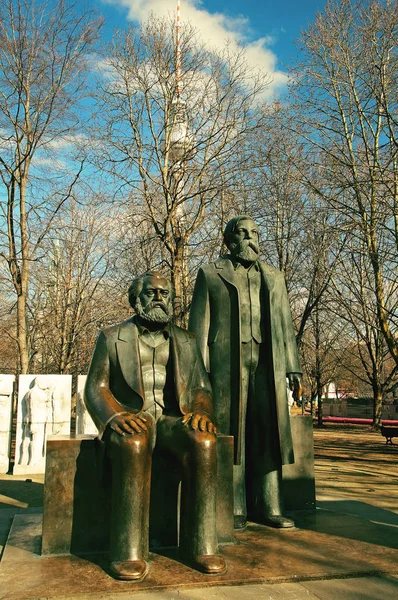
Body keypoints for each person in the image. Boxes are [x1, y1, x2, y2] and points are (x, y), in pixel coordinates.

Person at [85, 272, 226, 581]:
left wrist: (202, 411)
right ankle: (128, 552)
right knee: (133, 443)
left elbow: (202, 387)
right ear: (136, 299)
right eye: (151, 293)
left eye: (165, 293)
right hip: (134, 418)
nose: (159, 298)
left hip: (173, 420)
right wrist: (114, 417)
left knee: (204, 441)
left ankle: (200, 546)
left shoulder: (186, 340)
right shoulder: (111, 337)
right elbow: (96, 388)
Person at [189, 216, 302, 530]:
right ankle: (235, 506)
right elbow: (199, 326)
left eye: (254, 233)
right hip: (226, 364)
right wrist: (199, 374)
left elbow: (284, 325)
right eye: (243, 232)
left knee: (269, 433)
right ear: (229, 239)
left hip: (269, 362)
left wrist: (293, 367)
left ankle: (270, 506)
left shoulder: (274, 277)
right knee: (232, 434)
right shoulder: (210, 274)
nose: (250, 238)